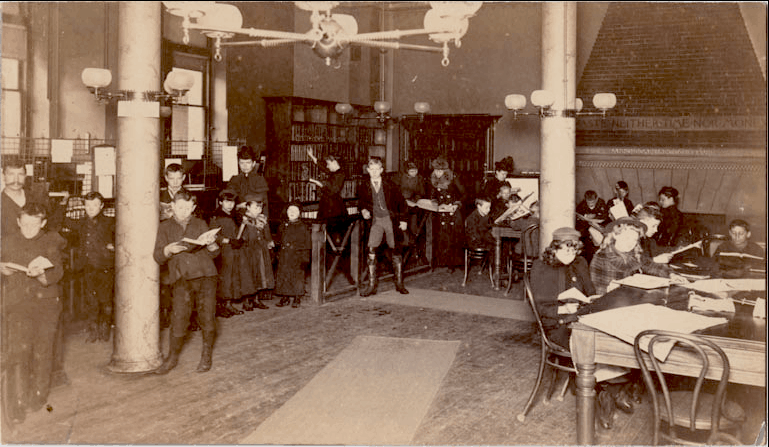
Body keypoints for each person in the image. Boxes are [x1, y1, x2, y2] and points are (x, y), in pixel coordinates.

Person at [1, 203, 66, 423]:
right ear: (18, 222)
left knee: (42, 350)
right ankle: (18, 401)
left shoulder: (51, 241)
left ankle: (38, 394)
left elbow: (57, 272)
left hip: (45, 305)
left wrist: (40, 275)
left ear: (43, 223)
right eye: (25, 224)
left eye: (34, 224)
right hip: (18, 304)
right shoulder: (8, 241)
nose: (29, 228)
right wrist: (3, 269)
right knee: (19, 351)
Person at [152, 190, 220, 374]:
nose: (183, 211)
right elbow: (158, 256)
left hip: (206, 275)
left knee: (207, 316)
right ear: (172, 206)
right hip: (182, 278)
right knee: (179, 317)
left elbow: (214, 253)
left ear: (193, 208)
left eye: (188, 208)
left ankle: (206, 355)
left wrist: (212, 243)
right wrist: (168, 249)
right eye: (180, 207)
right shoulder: (165, 227)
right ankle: (172, 357)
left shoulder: (200, 223)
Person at [61, 191, 115, 342]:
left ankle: (105, 328)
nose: (91, 208)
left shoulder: (110, 221)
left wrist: (114, 246)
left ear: (102, 206)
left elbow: (125, 235)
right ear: (84, 205)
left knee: (106, 300)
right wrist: (65, 202)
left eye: (95, 205)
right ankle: (93, 330)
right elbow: (61, 220)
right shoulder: (81, 223)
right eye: (88, 205)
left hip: (105, 267)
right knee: (91, 300)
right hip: (87, 267)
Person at [589, 216, 681, 295]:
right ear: (615, 235)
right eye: (627, 238)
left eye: (634, 240)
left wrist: (672, 274)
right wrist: (608, 290)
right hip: (609, 303)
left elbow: (653, 266)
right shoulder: (601, 257)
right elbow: (595, 289)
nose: (630, 243)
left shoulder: (634, 255)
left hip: (630, 298)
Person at [358, 156, 409, 296]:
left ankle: (399, 284)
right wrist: (363, 210)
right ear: (367, 170)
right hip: (375, 221)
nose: (374, 172)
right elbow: (361, 202)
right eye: (371, 169)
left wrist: (403, 220)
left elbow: (402, 204)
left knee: (395, 249)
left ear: (381, 170)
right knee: (371, 250)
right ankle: (371, 286)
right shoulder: (363, 186)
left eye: (377, 169)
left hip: (390, 219)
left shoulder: (390, 185)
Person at [2, 157, 68, 238]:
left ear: (25, 176)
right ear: (3, 176)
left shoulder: (37, 197)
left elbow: (52, 225)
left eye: (20, 174)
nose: (16, 179)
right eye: (11, 174)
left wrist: (62, 204)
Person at [234, 195, 274, 310]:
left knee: (260, 274)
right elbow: (240, 236)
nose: (258, 210)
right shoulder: (243, 220)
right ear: (248, 207)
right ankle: (247, 301)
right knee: (249, 275)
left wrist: (269, 243)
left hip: (260, 250)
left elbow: (267, 234)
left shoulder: (262, 219)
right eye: (255, 207)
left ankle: (256, 299)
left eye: (260, 208)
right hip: (248, 251)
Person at [209, 189, 244, 318]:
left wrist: (240, 240)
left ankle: (229, 304)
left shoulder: (235, 216)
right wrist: (228, 240)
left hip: (235, 251)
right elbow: (214, 235)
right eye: (227, 202)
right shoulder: (216, 216)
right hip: (223, 251)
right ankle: (221, 306)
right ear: (220, 202)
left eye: (232, 202)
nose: (230, 205)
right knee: (224, 278)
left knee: (233, 276)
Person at [427, 156, 465, 271]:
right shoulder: (432, 179)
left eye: (440, 170)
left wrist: (456, 204)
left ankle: (455, 264)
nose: (438, 173)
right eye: (436, 170)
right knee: (442, 238)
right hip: (441, 212)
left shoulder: (453, 178)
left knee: (454, 238)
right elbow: (432, 196)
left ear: (445, 171)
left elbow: (464, 194)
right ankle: (443, 262)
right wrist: (438, 204)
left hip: (454, 211)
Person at [307, 147, 348, 243]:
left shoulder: (340, 175)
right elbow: (324, 168)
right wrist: (312, 156)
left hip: (334, 209)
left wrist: (317, 183)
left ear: (334, 162)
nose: (327, 166)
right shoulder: (335, 172)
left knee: (332, 235)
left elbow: (332, 190)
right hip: (327, 205)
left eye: (329, 164)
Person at [274, 202, 311, 308]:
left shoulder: (303, 227)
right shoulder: (283, 225)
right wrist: (277, 252)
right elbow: (279, 239)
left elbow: (307, 244)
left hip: (297, 257)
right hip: (285, 256)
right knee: (284, 276)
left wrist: (305, 258)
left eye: (295, 211)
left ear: (300, 213)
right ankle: (284, 297)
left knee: (297, 277)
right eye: (290, 210)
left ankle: (297, 297)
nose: (292, 213)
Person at [227, 145, 270, 218]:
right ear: (238, 163)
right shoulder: (234, 180)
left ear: (253, 164)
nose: (245, 166)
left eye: (248, 163)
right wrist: (238, 206)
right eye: (242, 163)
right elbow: (227, 200)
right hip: (237, 217)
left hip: (255, 218)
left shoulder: (260, 180)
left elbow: (264, 205)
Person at [576, 190, 609, 263]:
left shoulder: (601, 203)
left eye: (593, 202)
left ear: (596, 199)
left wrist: (594, 218)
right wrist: (585, 217)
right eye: (588, 202)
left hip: (600, 227)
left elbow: (604, 217)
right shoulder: (582, 204)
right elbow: (578, 215)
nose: (590, 204)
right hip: (587, 229)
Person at [398, 162, 426, 246]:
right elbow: (398, 190)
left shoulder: (419, 178)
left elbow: (421, 192)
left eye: (415, 171)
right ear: (407, 171)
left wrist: (415, 199)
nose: (414, 173)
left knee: (414, 222)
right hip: (403, 202)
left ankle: (414, 240)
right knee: (403, 221)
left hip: (414, 202)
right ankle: (404, 239)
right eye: (411, 171)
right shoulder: (401, 178)